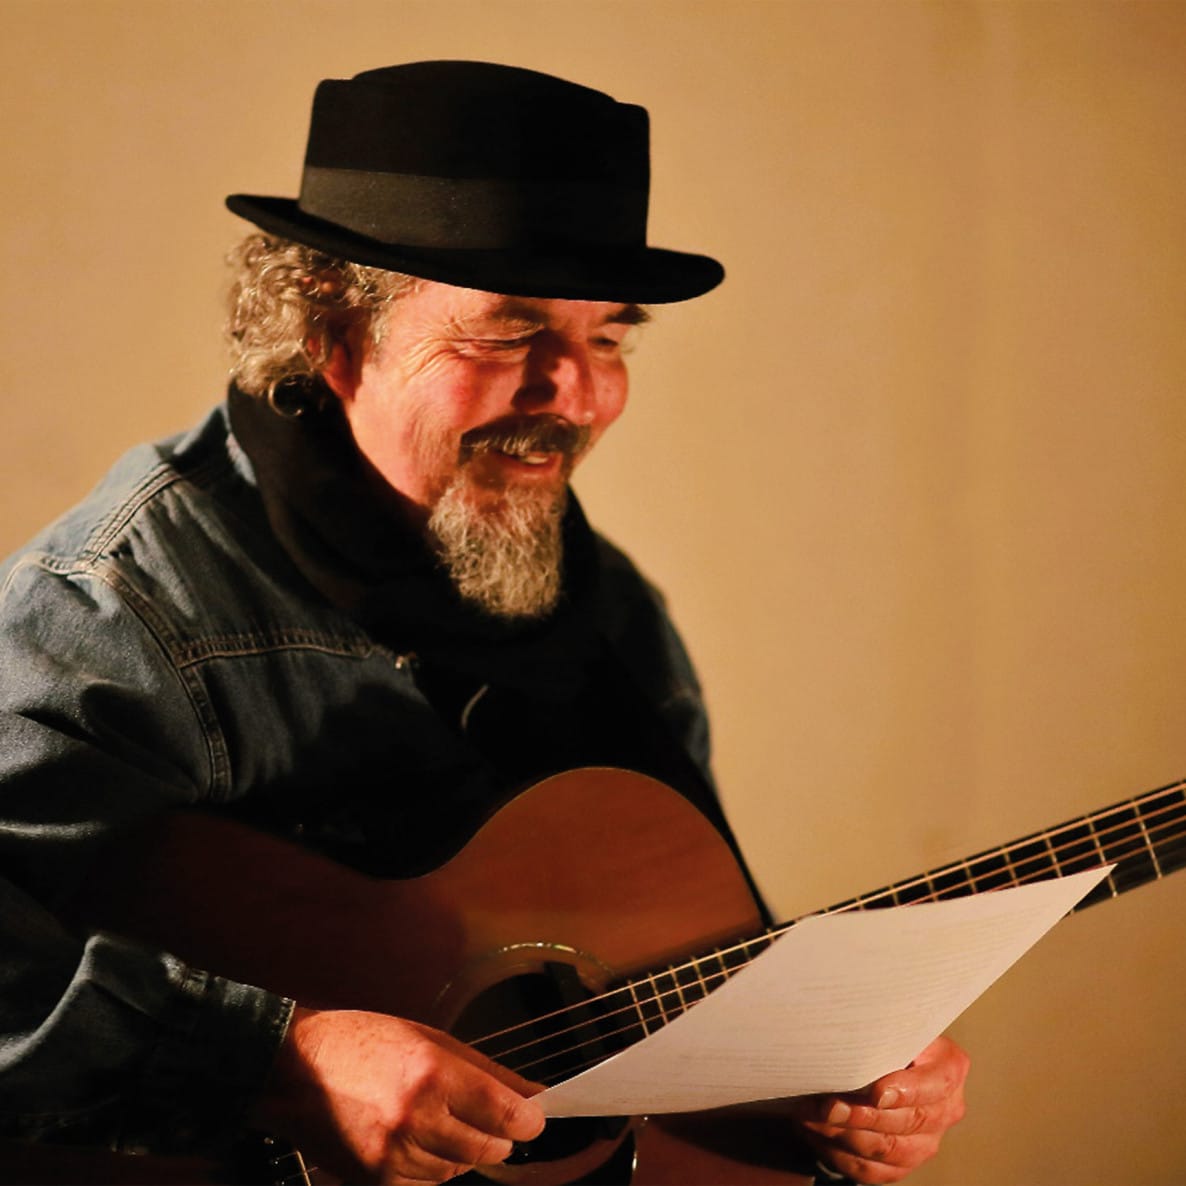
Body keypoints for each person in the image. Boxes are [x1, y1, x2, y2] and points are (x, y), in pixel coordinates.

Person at [0, 61, 968, 1185]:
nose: (577, 392)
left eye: (608, 338)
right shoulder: (113, 608)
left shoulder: (613, 615)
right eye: (507, 335)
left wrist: (841, 1080)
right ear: (331, 333)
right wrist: (283, 1063)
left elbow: (664, 967)